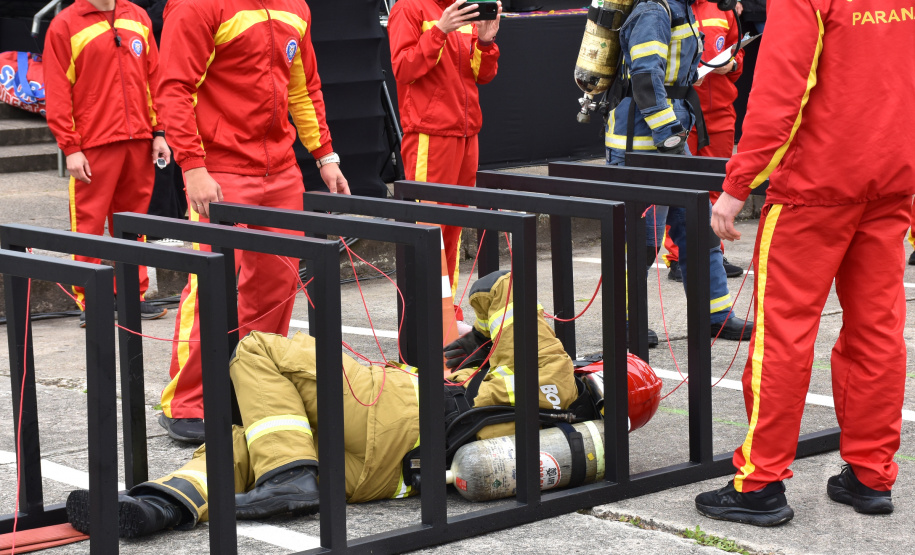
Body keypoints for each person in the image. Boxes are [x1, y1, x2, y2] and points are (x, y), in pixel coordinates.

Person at [64, 271, 585, 537]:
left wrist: (482, 326)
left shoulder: (559, 386)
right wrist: (475, 350)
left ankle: (290, 476)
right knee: (244, 443)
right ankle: (159, 508)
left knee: (258, 349)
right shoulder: (520, 397)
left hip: (394, 415)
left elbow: (502, 290)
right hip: (384, 475)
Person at [696, 0, 915, 526]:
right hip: (891, 179)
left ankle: (761, 483)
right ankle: (869, 475)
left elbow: (781, 92)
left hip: (814, 188)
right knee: (878, 331)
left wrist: (736, 185)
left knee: (784, 335)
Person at [154, 0, 350, 444]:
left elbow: (303, 87)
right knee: (211, 286)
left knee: (277, 286)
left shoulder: (294, 8)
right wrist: (193, 167)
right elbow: (174, 88)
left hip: (279, 170)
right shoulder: (198, 7)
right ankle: (186, 402)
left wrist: (325, 156)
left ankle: (250, 387)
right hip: (219, 170)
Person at [604, 0, 752, 341]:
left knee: (699, 228)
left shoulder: (679, 11)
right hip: (642, 147)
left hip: (670, 140)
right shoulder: (654, 12)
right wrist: (666, 133)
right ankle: (625, 324)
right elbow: (644, 75)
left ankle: (715, 315)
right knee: (641, 242)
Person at [43, 0, 171, 328]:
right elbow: (57, 90)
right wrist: (70, 147)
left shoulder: (138, 16)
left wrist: (159, 132)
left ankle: (133, 295)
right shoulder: (65, 24)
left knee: (133, 223)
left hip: (140, 140)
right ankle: (91, 299)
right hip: (93, 144)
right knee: (88, 222)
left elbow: (154, 77)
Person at [388, 0, 501, 328]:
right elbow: (403, 68)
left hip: (466, 134)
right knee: (429, 230)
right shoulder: (409, 8)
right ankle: (429, 319)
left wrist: (486, 41)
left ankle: (445, 314)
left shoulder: (461, 9)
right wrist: (440, 31)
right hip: (429, 134)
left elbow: (482, 74)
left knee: (453, 227)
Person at [661, 0, 745, 282]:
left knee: (716, 184)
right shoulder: (669, 7)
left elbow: (736, 51)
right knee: (682, 187)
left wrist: (732, 63)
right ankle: (677, 259)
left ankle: (713, 254)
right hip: (683, 109)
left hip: (720, 109)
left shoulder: (724, 7)